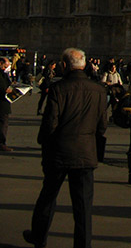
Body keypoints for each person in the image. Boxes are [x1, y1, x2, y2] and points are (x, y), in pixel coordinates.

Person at [23, 47, 107, 248]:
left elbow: (50, 124)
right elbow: (102, 126)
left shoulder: (58, 89)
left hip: (59, 153)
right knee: (84, 206)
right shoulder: (99, 90)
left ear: (64, 65)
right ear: (85, 65)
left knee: (48, 198)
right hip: (86, 154)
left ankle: (39, 238)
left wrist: (44, 143)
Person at [0, 56, 14, 152]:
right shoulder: (1, 74)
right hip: (2, 104)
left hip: (4, 103)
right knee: (2, 124)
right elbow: (3, 88)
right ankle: (1, 143)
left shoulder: (3, 74)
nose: (6, 68)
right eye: (5, 66)